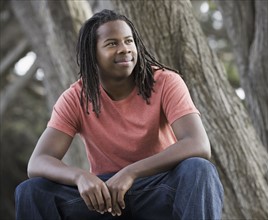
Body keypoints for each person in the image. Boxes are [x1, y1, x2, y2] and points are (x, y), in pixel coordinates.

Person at [15, 9, 224, 220]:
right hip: (105, 197)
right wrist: (80, 176)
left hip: (158, 186)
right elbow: (38, 161)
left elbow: (198, 144)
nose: (124, 49)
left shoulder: (165, 82)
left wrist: (130, 172)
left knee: (199, 170)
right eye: (112, 44)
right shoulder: (76, 97)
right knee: (31, 191)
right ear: (92, 53)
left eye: (128, 41)